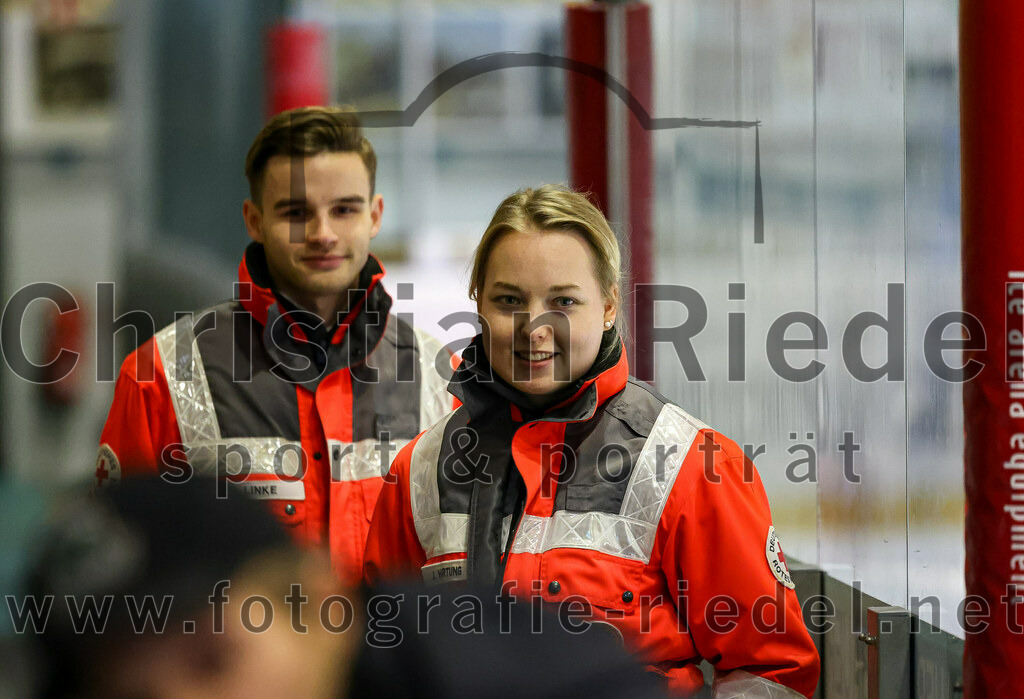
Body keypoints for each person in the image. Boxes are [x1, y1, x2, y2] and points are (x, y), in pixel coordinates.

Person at [364, 185, 821, 696]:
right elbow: (382, 658)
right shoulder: (422, 470)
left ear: (607, 305)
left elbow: (772, 672)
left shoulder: (693, 466)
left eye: (563, 301)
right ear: (478, 302)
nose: (533, 327)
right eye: (509, 300)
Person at [96, 106, 454, 584]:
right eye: (295, 212)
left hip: (394, 658)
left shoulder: (441, 376)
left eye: (344, 209)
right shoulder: (160, 374)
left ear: (375, 216)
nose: (322, 234)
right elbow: (118, 570)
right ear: (254, 220)